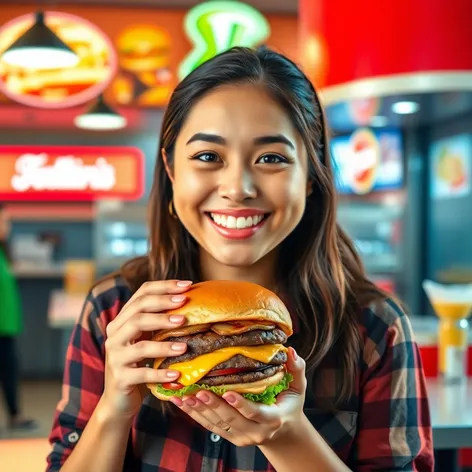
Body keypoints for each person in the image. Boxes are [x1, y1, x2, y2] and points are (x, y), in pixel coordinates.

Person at [47, 47, 434, 471]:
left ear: (310, 177)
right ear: (172, 169)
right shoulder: (116, 311)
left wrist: (289, 438)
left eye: (271, 158)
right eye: (208, 157)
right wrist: (112, 412)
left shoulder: (375, 327)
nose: (238, 187)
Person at [0, 203, 37, 431]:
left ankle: (15, 415)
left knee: (10, 370)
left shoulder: (4, 251)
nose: (7, 226)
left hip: (6, 326)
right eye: (4, 221)